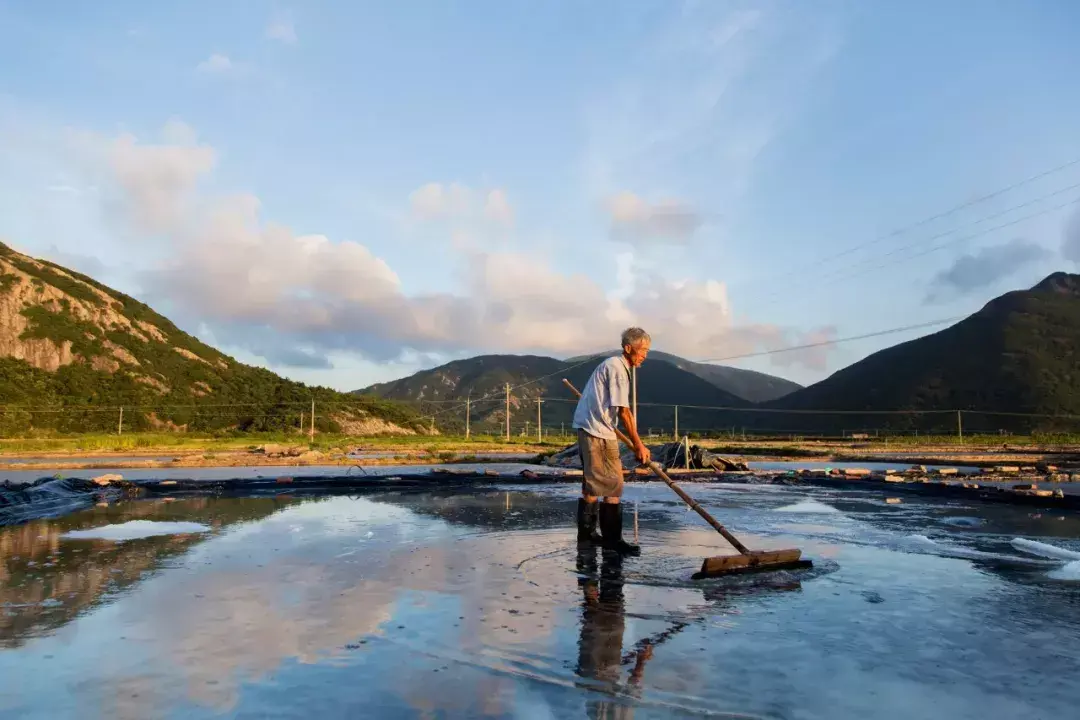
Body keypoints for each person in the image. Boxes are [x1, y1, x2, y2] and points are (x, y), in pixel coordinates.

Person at [572, 327, 651, 555]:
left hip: (597, 428)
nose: (645, 354)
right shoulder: (617, 368)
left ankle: (592, 539)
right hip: (596, 431)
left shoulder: (616, 366)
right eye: (643, 349)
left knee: (597, 485)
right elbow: (624, 412)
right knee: (613, 486)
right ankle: (608, 541)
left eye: (647, 350)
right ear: (628, 348)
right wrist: (638, 445)